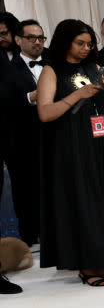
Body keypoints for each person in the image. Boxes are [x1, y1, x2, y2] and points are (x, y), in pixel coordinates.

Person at [35, 19, 104, 286]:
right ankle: (87, 266)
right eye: (79, 43)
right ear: (65, 42)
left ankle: (102, 261)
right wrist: (77, 95)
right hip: (72, 148)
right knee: (84, 204)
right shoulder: (52, 70)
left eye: (89, 44)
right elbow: (45, 112)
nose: (86, 48)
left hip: (103, 144)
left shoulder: (94, 67)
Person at [0, 20, 46, 246]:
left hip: (55, 136)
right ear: (18, 40)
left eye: (41, 38)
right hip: (22, 140)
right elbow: (4, 102)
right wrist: (32, 96)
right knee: (26, 189)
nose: (37, 42)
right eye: (32, 38)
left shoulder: (54, 63)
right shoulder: (7, 69)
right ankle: (30, 236)